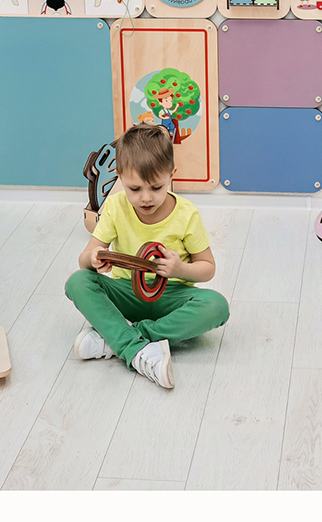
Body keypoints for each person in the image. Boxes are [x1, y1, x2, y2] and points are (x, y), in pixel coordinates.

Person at [65, 124, 229, 388]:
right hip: (127, 293)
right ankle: (136, 345)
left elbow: (208, 268)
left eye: (156, 187)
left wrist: (180, 269)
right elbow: (84, 260)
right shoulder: (115, 206)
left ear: (171, 175)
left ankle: (122, 338)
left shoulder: (187, 214)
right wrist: (94, 258)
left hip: (171, 297)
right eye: (134, 188)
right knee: (78, 281)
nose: (145, 198)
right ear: (119, 177)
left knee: (216, 306)